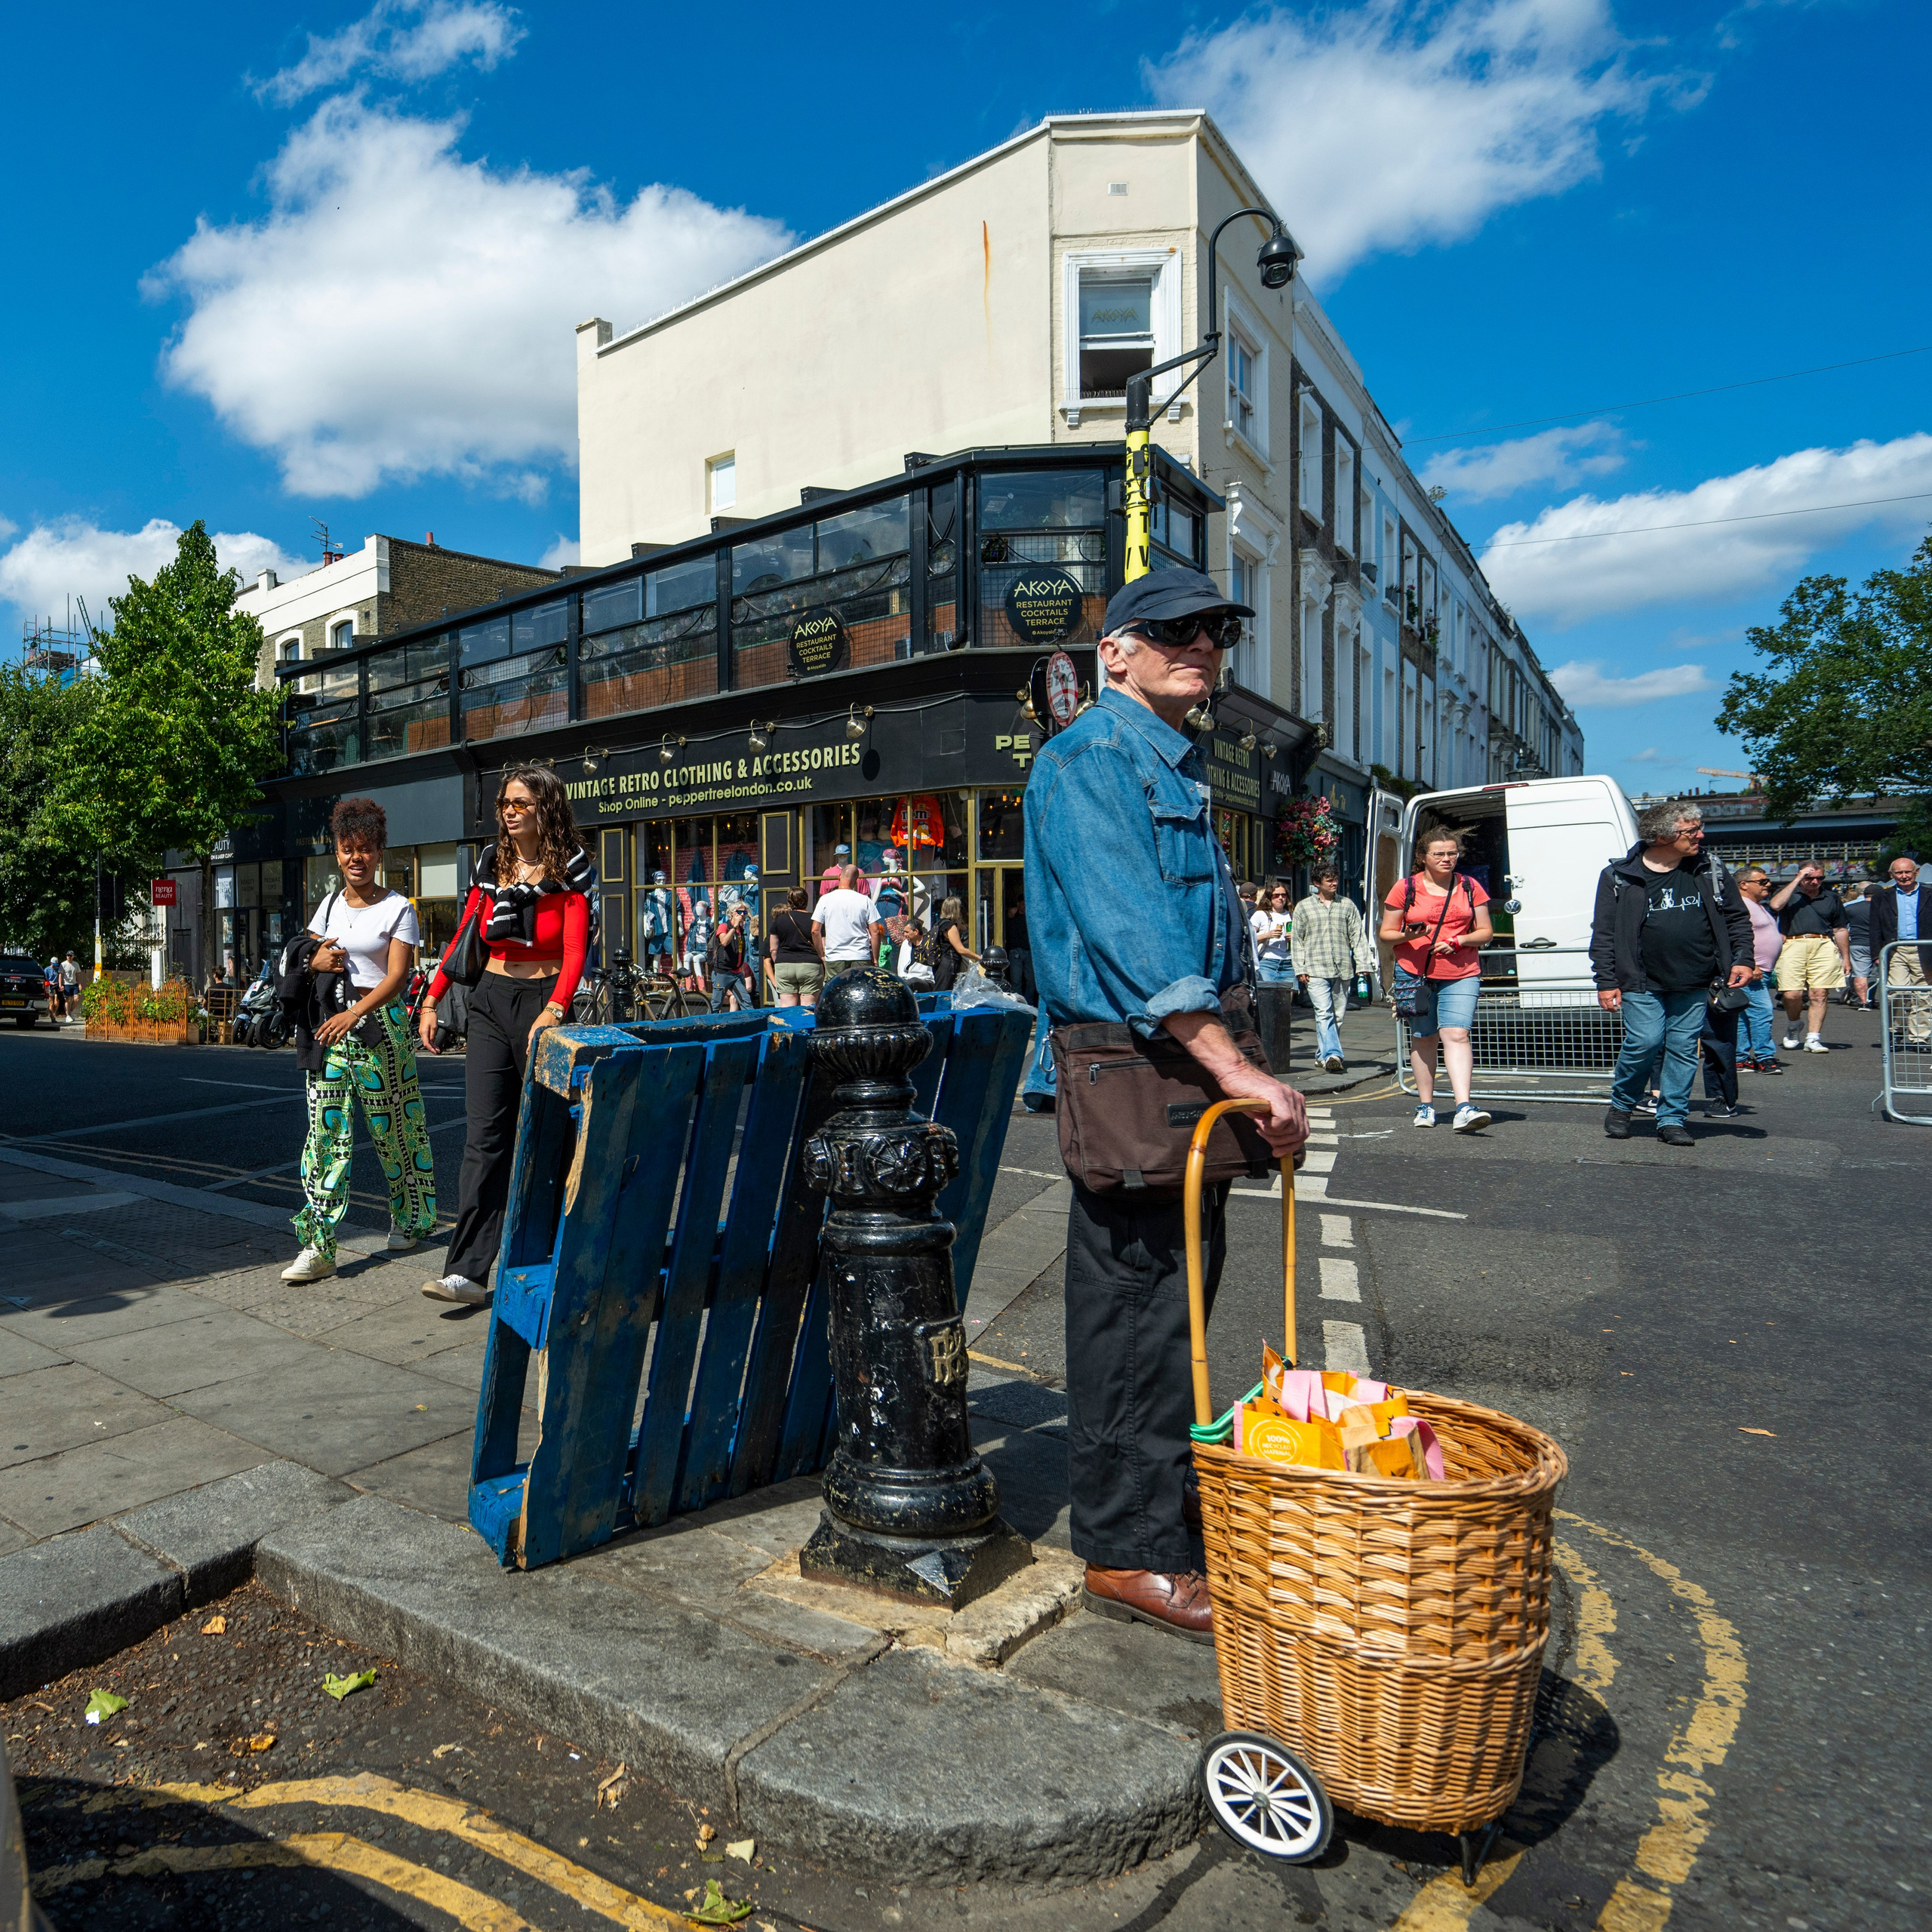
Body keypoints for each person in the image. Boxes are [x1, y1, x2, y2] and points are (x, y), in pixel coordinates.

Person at [1024, 566, 1308, 1644]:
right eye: (1174, 630)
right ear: (1117, 653)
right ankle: (1127, 1549)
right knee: (1138, 1315)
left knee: (1173, 1304)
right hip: (1138, 1069)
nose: (1200, 644)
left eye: (1215, 631)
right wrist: (1238, 1069)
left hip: (1171, 1071)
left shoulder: (1168, 762)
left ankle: (1154, 1511)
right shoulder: (1094, 757)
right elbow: (1137, 935)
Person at [417, 765, 595, 1305]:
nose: (510, 810)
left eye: (521, 802)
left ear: (546, 808)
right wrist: (432, 995)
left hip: (543, 1004)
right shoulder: (492, 864)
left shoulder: (572, 869)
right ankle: (468, 1273)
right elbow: (465, 933)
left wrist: (558, 1008)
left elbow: (573, 948)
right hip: (491, 1002)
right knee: (484, 1139)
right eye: (505, 803)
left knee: (546, 1135)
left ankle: (559, 1260)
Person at [280, 797, 438, 1284]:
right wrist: (313, 963)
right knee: (324, 1139)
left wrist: (355, 1012)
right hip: (331, 1033)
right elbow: (303, 953)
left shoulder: (398, 909)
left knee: (395, 1133)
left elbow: (397, 977)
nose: (356, 858)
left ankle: (409, 1218)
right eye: (348, 849)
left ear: (379, 851)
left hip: (379, 1030)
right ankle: (319, 1245)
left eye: (365, 849)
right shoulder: (327, 907)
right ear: (337, 851)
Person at [1591, 800, 1755, 1146]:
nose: (1700, 835)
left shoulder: (1709, 868)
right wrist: (1606, 980)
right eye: (1691, 830)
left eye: (1699, 827)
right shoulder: (1619, 876)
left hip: (1697, 979)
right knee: (1645, 1042)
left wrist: (1743, 959)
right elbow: (1604, 933)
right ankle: (1622, 1105)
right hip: (1641, 980)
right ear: (1662, 835)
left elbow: (1737, 918)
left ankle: (1672, 1118)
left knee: (1682, 1049)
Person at [1379, 828, 1494, 1134]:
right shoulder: (1406, 889)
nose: (1447, 859)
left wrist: (1459, 941)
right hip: (1416, 973)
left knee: (1456, 1034)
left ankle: (1464, 1107)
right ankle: (1426, 1105)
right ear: (1423, 858)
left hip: (1462, 972)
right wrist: (1409, 934)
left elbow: (1485, 932)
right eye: (1439, 854)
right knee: (1424, 1037)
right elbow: (1387, 934)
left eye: (1452, 853)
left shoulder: (1470, 887)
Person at [1292, 866, 1376, 1075]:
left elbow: (1357, 937)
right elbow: (1297, 941)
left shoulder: (1347, 905)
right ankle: (1333, 1055)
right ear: (1317, 883)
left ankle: (1323, 1056)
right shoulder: (1303, 907)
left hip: (1342, 969)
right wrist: (1299, 968)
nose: (1334, 883)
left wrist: (1363, 964)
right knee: (1323, 1013)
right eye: (1329, 880)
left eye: (1335, 879)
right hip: (1315, 969)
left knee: (1337, 1015)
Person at [1768, 863, 1850, 1054]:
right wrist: (1797, 879)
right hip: (1793, 942)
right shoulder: (1790, 893)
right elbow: (1775, 905)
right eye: (1809, 878)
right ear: (1801, 876)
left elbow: (1840, 929)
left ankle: (1813, 1038)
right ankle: (1794, 1024)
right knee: (1791, 994)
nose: (1815, 882)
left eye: (1819, 878)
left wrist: (1846, 958)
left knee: (1819, 994)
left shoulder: (1831, 897)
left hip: (1823, 943)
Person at [1869, 853, 1932, 1045]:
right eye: (1899, 873)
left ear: (1917, 872)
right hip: (1895, 950)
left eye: (1908, 872)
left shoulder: (1930, 893)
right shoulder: (1882, 896)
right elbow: (1875, 927)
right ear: (1891, 874)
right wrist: (1877, 954)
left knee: (1924, 995)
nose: (1904, 876)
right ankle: (1896, 1030)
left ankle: (1920, 1037)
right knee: (1896, 993)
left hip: (1924, 950)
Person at [1734, 867, 1785, 1073]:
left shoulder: (1755, 905)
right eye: (1762, 882)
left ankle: (1741, 1058)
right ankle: (1765, 1057)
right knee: (1762, 1013)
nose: (1768, 884)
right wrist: (1750, 963)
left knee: (1745, 1016)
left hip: (1761, 970)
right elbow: (1736, 938)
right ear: (1744, 885)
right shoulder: (1740, 906)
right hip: (1752, 970)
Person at [767, 887, 825, 1008]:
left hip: (784, 965)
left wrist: (779, 961)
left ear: (789, 901)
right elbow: (823, 944)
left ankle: (789, 1027)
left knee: (787, 1008)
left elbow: (773, 949)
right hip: (810, 965)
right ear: (806, 900)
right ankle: (806, 1027)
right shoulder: (814, 920)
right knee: (808, 1007)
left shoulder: (780, 920)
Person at [813, 864, 878, 972]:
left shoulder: (825, 900)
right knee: (859, 988)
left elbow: (815, 931)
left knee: (836, 989)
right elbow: (875, 931)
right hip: (860, 955)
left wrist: (821, 954)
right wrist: (875, 959)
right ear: (856, 881)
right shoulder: (865, 900)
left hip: (835, 956)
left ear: (839, 877)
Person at [706, 901, 754, 1011]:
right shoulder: (724, 926)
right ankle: (707, 1025)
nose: (742, 915)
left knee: (746, 1002)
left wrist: (741, 968)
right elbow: (724, 942)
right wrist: (734, 928)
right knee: (716, 1004)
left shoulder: (741, 931)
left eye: (744, 912)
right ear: (732, 913)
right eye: (739, 912)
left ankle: (753, 1025)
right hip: (723, 973)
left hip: (737, 973)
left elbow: (741, 952)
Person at [931, 896, 978, 991]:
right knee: (944, 995)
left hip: (940, 964)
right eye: (960, 907)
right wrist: (980, 958)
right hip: (949, 965)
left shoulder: (939, 924)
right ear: (956, 909)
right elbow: (960, 949)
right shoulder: (950, 926)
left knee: (941, 993)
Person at [1250, 884, 1294, 985]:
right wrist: (1267, 935)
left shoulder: (1292, 915)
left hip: (1289, 963)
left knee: (1287, 998)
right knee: (1268, 996)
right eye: (1276, 895)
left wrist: (1294, 938)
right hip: (1267, 962)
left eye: (1284, 895)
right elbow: (1249, 937)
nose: (1280, 898)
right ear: (1270, 897)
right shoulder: (1261, 914)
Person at [1842, 884, 1875, 1009]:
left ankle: (1863, 1001)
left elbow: (1841, 926)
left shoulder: (1850, 908)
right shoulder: (1883, 908)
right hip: (1880, 944)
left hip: (1857, 943)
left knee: (1860, 974)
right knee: (1880, 975)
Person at [57, 952, 80, 1023]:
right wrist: (60, 985)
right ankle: (67, 1016)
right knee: (68, 1000)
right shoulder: (63, 964)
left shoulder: (76, 964)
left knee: (77, 999)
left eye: (70, 956)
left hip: (74, 983)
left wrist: (79, 984)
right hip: (66, 984)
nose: (69, 957)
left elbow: (78, 975)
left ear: (73, 956)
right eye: (67, 955)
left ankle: (70, 1011)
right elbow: (61, 975)